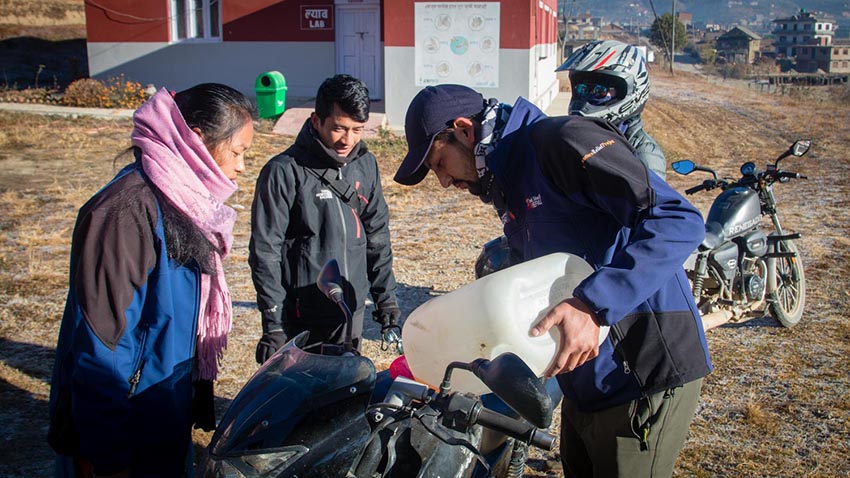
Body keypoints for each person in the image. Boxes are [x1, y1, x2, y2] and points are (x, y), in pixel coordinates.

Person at [394, 84, 712, 478]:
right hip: (585, 376)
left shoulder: (561, 142)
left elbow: (678, 219)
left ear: (464, 130)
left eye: (440, 164)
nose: (443, 182)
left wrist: (593, 305)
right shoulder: (508, 182)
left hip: (641, 368)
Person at [48, 83, 257, 477]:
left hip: (159, 415)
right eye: (238, 152)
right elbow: (102, 346)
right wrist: (107, 455)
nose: (242, 166)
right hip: (124, 431)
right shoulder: (126, 211)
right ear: (197, 140)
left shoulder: (184, 202)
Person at [249, 74, 400, 363]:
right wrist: (274, 325)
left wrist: (387, 302)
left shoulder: (365, 165)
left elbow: (377, 236)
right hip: (303, 313)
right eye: (339, 128)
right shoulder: (283, 171)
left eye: (358, 130)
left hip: (351, 310)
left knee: (345, 390)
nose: (348, 140)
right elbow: (264, 252)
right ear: (316, 120)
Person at [557, 39, 668, 180]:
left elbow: (650, 199)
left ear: (629, 91)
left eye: (600, 91)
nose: (587, 97)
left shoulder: (644, 155)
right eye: (582, 89)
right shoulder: (579, 136)